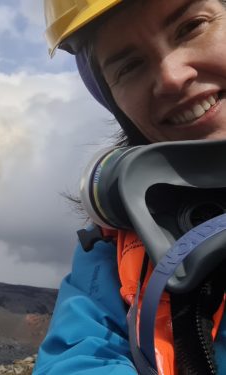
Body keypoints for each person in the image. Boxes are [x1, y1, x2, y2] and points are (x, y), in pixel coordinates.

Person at [34, 0, 226, 374]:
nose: (171, 76)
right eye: (130, 66)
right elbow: (81, 357)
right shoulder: (117, 244)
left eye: (192, 27)